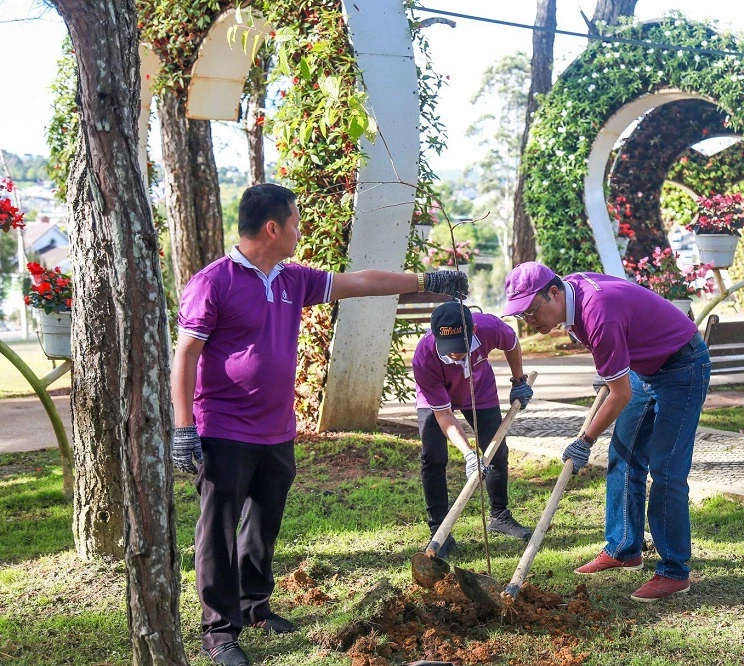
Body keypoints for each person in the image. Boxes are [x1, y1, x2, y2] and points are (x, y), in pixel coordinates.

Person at [170, 183, 468, 666]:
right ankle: (219, 632)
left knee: (263, 525)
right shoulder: (213, 282)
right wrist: (184, 428)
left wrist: (424, 279)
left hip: (276, 429)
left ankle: (255, 608)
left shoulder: (291, 279)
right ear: (272, 228)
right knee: (218, 532)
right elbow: (186, 354)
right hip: (223, 428)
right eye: (295, 222)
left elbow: (360, 283)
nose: (299, 230)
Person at [500, 261, 710, 603]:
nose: (530, 321)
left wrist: (585, 440)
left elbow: (620, 394)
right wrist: (613, 365)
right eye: (522, 315)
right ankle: (624, 548)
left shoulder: (597, 313)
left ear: (553, 293)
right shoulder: (570, 296)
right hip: (645, 367)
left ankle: (674, 571)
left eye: (532, 311)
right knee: (624, 454)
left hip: (681, 366)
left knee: (667, 468)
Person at [411, 301, 536, 555]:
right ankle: (440, 531)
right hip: (436, 397)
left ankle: (499, 516)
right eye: (449, 348)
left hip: (479, 390)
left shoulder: (490, 327)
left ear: (474, 330)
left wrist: (518, 380)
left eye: (460, 346)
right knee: (433, 457)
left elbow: (511, 342)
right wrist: (469, 454)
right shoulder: (424, 357)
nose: (455, 354)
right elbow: (444, 414)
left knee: (497, 451)